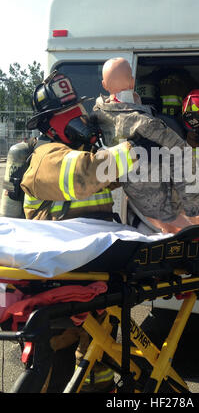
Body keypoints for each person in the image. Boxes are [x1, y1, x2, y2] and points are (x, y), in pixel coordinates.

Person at [21, 70, 140, 392]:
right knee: (50, 368)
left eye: (78, 110)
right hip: (57, 281)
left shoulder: (78, 154)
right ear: (49, 126)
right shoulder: (47, 158)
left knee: (96, 360)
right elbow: (86, 173)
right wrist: (131, 149)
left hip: (88, 276)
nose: (78, 118)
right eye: (66, 115)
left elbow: (109, 173)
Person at [93, 57, 199, 237]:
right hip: (159, 208)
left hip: (136, 207)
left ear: (103, 84)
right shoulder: (145, 123)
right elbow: (181, 154)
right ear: (132, 81)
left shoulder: (97, 117)